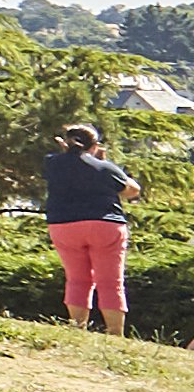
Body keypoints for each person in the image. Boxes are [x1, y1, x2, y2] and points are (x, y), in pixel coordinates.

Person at [39, 120, 135, 333]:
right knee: (110, 282)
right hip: (106, 224)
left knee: (77, 279)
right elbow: (132, 190)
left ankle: (77, 328)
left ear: (65, 142)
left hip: (63, 224)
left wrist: (70, 152)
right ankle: (114, 333)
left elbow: (67, 162)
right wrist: (102, 161)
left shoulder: (52, 163)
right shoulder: (104, 168)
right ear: (95, 145)